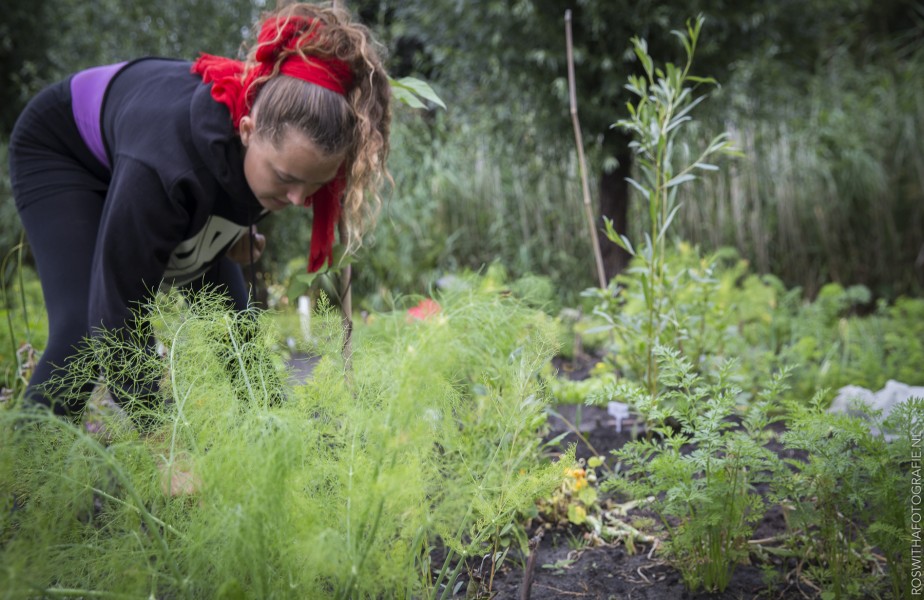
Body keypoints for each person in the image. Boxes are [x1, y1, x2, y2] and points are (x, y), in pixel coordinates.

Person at [8, 2, 391, 420]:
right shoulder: (166, 168)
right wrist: (154, 430)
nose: (299, 199)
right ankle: (31, 456)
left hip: (158, 165)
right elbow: (120, 306)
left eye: (315, 185)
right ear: (246, 131)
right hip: (65, 151)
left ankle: (278, 433)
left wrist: (238, 232)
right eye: (285, 178)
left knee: (238, 337)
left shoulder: (275, 150)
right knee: (82, 332)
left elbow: (239, 201)